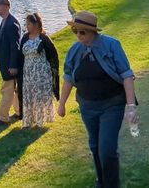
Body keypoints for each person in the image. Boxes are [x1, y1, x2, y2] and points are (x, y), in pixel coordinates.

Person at [58, 11, 139, 188]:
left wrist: (131, 107)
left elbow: (126, 75)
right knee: (95, 146)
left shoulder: (111, 45)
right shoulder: (75, 50)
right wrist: (62, 103)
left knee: (107, 150)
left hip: (112, 104)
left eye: (82, 32)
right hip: (87, 106)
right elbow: (68, 78)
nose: (78, 36)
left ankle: (112, 185)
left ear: (93, 31)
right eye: (75, 32)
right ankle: (101, 181)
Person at [18, 13, 59, 128]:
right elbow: (20, 55)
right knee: (28, 94)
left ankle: (41, 120)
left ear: (36, 24)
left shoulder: (44, 39)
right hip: (28, 73)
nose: (27, 26)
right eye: (26, 24)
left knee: (39, 95)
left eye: (29, 23)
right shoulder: (25, 38)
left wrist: (53, 72)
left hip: (41, 73)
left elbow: (53, 55)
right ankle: (28, 121)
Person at [0, 0, 22, 128]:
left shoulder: (11, 23)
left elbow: (15, 46)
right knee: (11, 90)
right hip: (6, 64)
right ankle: (19, 112)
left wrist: (13, 65)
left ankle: (2, 118)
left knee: (6, 90)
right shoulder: (5, 21)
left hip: (10, 65)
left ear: (6, 6)